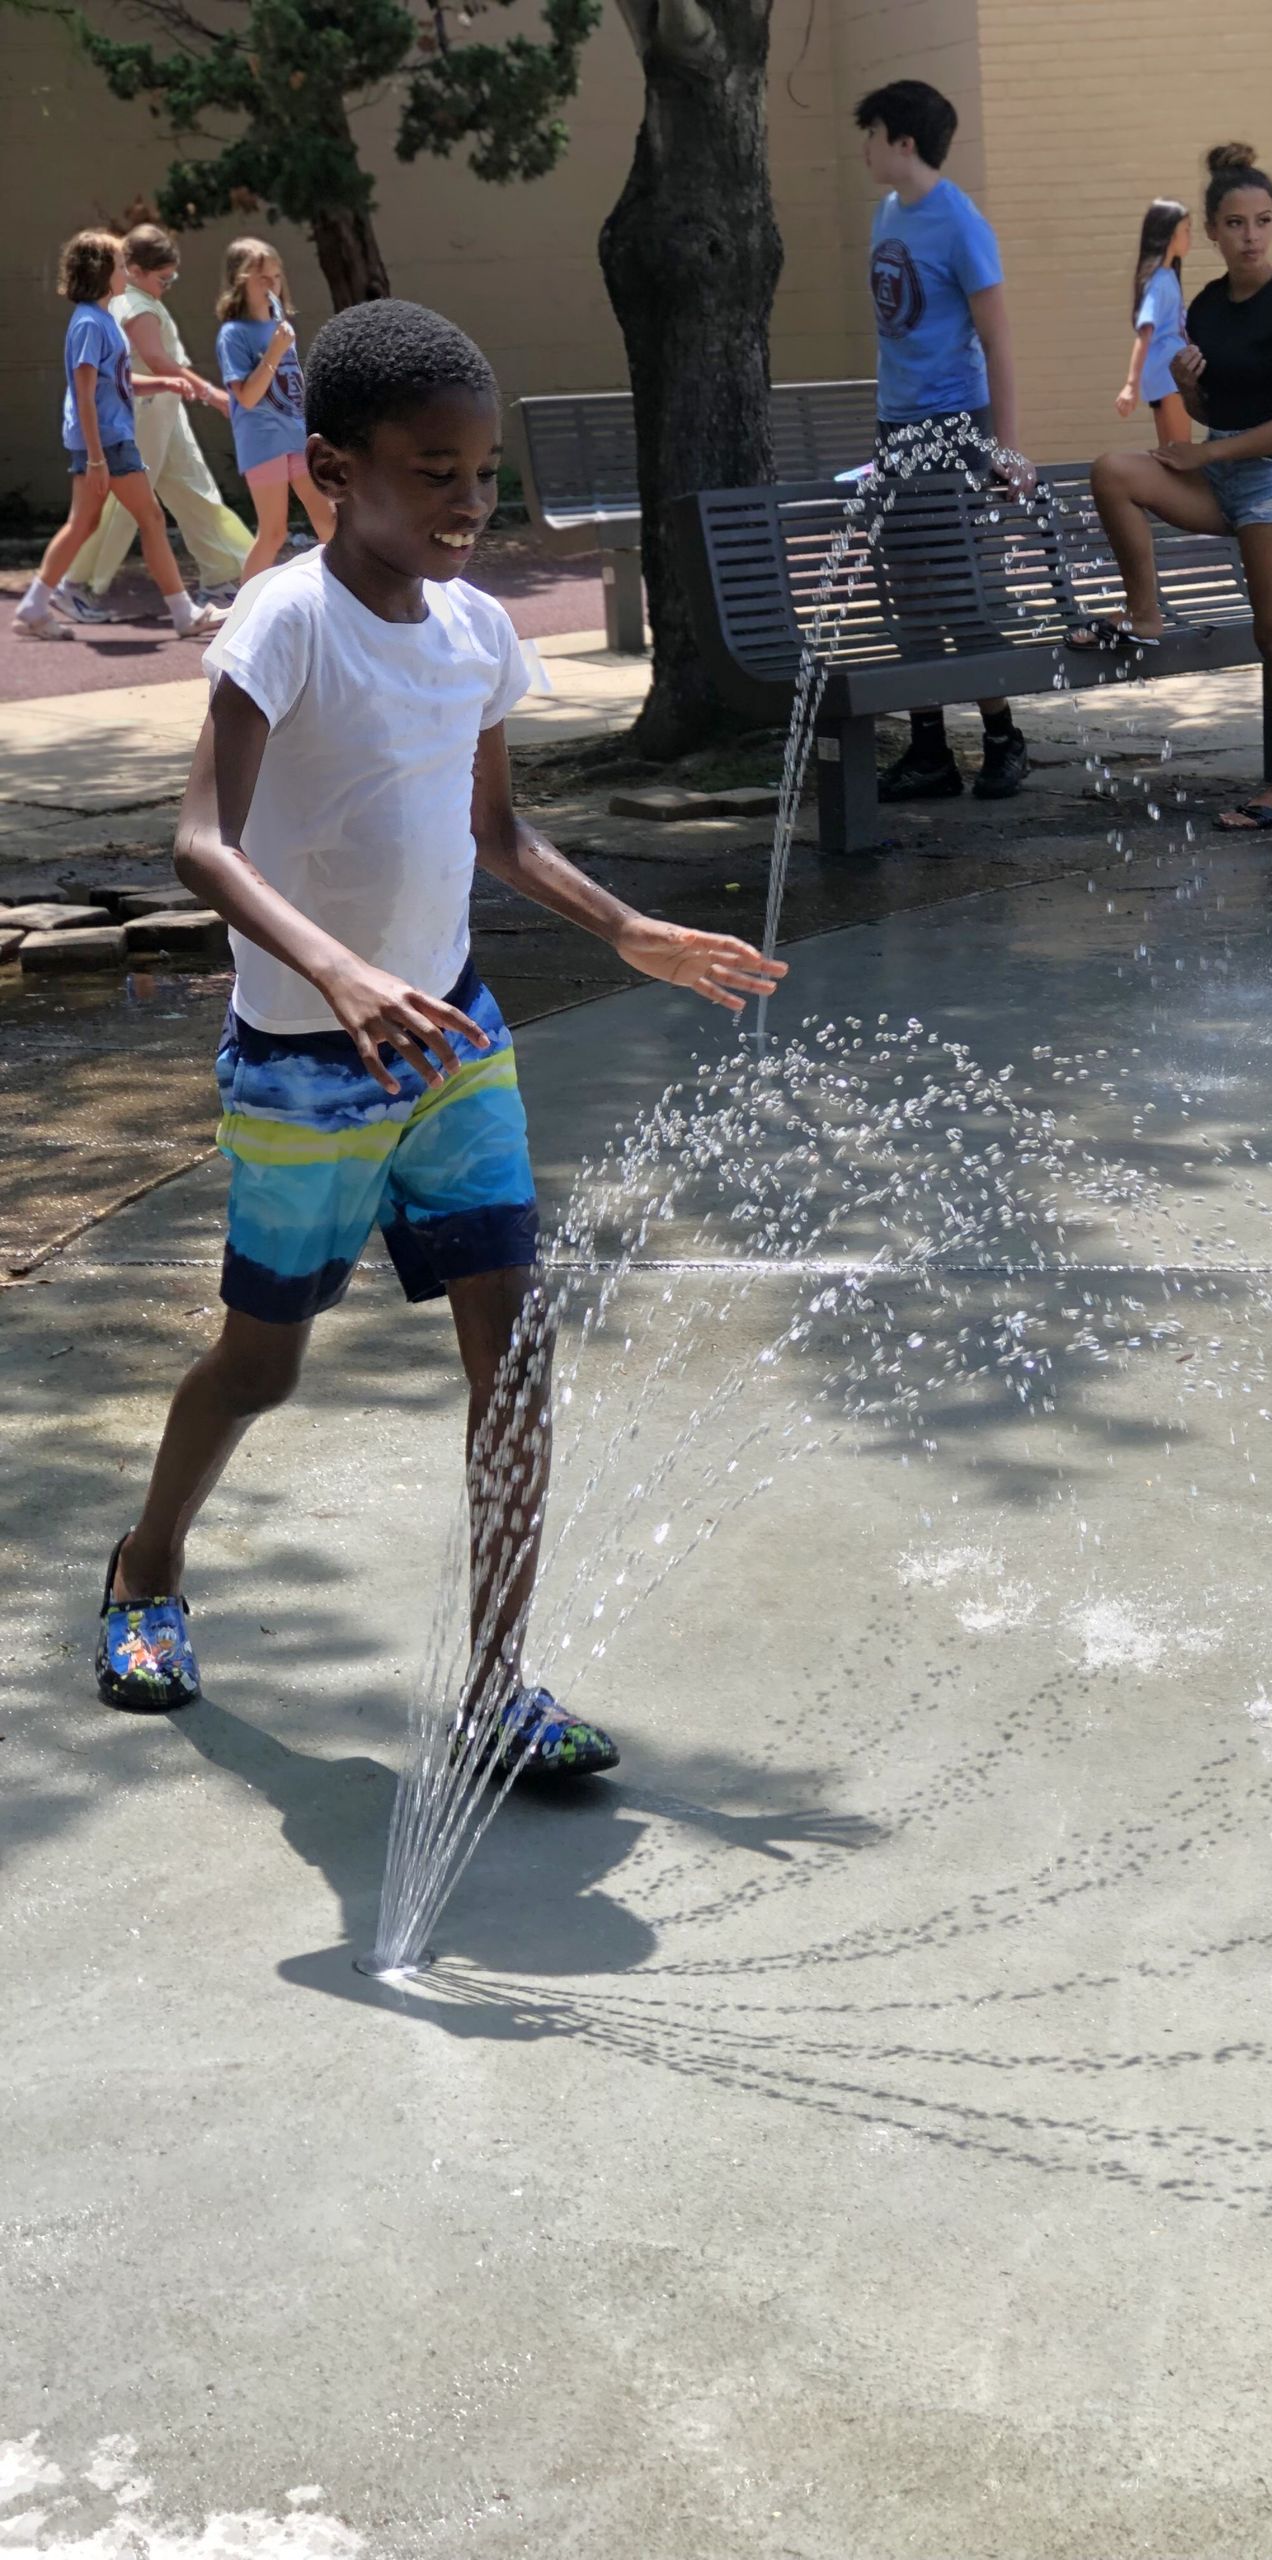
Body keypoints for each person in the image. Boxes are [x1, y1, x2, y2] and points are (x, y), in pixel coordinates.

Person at [94, 299, 787, 1787]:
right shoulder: (287, 617)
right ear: (336, 472)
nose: (470, 504)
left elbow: (499, 828)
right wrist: (340, 973)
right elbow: (200, 844)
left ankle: (496, 1688)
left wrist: (625, 930)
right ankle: (147, 1568)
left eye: (483, 472)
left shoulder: (474, 633)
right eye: (434, 472)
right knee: (263, 1366)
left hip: (457, 1044)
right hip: (305, 1063)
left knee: (517, 1356)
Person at [1079, 143, 1272, 834]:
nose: (1252, 237)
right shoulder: (1208, 305)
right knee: (1113, 470)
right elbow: (1221, 406)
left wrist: (1202, 451)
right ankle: (1144, 614)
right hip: (1221, 474)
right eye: (1237, 224)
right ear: (1211, 230)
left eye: (1264, 221)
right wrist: (1191, 391)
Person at [855, 77, 1030, 806]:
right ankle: (929, 749)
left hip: (956, 428)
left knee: (961, 592)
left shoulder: (960, 223)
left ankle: (1001, 736)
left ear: (904, 142)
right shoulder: (885, 215)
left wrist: (1008, 449)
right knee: (910, 597)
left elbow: (998, 340)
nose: (863, 148)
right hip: (897, 429)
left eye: (872, 134)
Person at [12, 231, 222, 645]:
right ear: (102, 272)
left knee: (83, 522)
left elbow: (118, 381)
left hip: (105, 439)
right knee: (152, 518)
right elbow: (85, 393)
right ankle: (184, 613)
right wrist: (95, 459)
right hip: (110, 440)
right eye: (121, 265)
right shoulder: (91, 323)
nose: (126, 271)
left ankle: (34, 606)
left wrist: (163, 381)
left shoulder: (102, 319)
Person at [58, 223, 250, 623]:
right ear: (135, 271)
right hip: (142, 417)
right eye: (164, 277)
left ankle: (229, 571)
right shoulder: (135, 304)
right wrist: (212, 394)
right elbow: (158, 359)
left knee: (193, 486)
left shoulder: (136, 300)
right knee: (124, 510)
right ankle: (77, 584)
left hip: (163, 411)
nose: (169, 284)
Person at [215, 237, 335, 585]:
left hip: (295, 434)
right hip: (262, 441)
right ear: (240, 282)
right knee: (273, 533)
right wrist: (273, 351)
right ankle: (244, 613)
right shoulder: (233, 334)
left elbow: (292, 383)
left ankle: (353, 596)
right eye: (262, 278)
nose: (272, 286)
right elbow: (248, 398)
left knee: (328, 517)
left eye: (277, 277)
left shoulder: (281, 325)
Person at [1114, 199, 1192, 445]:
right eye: (1186, 230)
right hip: (1169, 374)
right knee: (1181, 450)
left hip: (1166, 372)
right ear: (1170, 235)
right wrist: (1130, 385)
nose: (1190, 237)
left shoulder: (1167, 277)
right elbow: (1144, 334)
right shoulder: (1159, 283)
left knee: (1169, 451)